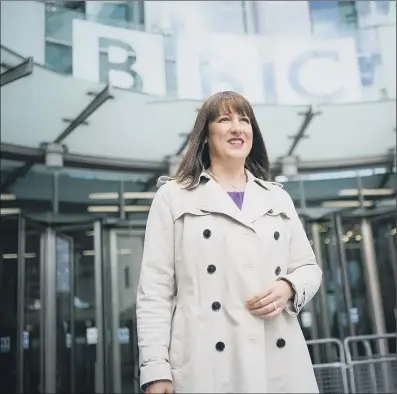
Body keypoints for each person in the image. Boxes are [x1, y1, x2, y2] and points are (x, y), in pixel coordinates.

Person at [136, 91, 322, 393]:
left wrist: (289, 286)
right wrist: (156, 368)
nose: (238, 128)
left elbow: (308, 268)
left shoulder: (277, 196)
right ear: (206, 135)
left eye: (244, 120)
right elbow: (154, 291)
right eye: (225, 119)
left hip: (278, 358)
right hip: (206, 362)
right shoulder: (173, 196)